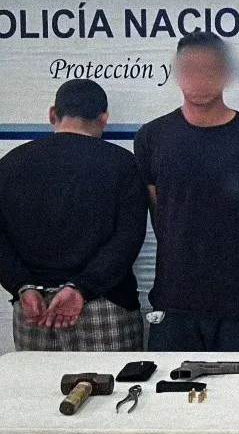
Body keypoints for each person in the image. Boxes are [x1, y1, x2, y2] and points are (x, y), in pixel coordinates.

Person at [134, 31, 239, 352]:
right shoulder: (152, 137)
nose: (198, 78)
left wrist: (231, 257)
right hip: (173, 299)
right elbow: (160, 215)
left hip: (236, 300)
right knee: (168, 385)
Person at [0, 79, 148, 351]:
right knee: (115, 380)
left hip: (34, 308)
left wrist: (21, 286)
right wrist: (82, 288)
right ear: (103, 119)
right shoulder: (122, 164)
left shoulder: (9, 164)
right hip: (105, 304)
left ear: (52, 114)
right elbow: (128, 238)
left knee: (39, 381)